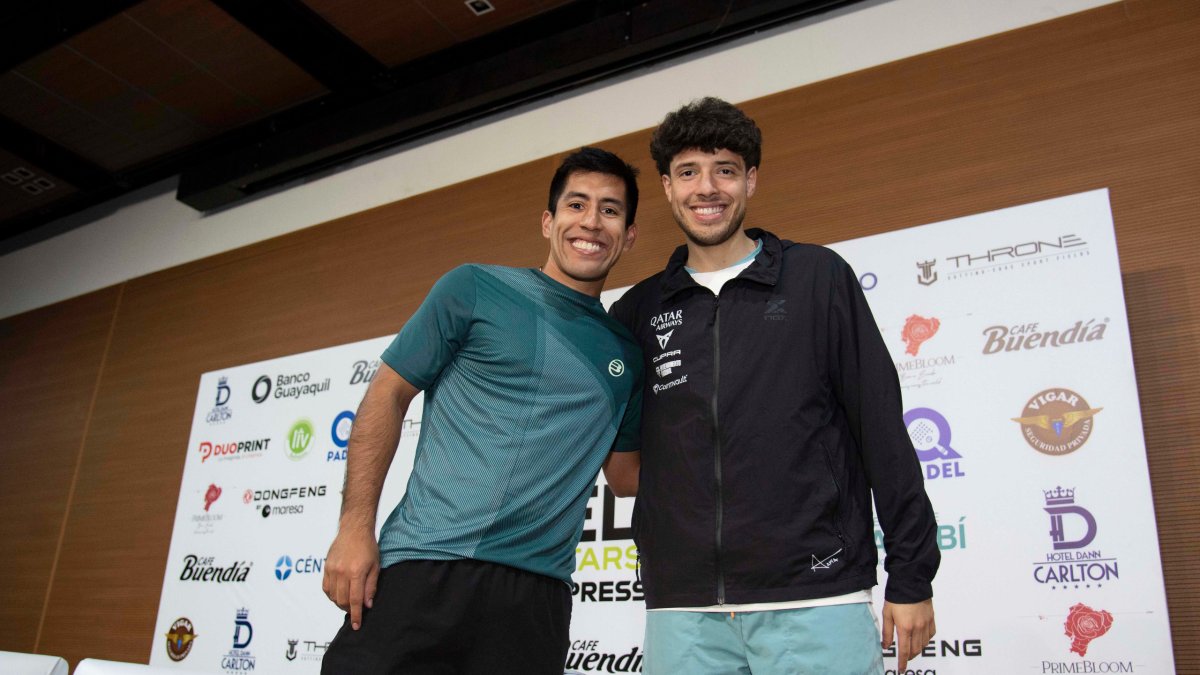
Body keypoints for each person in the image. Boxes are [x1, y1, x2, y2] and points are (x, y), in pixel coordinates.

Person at [607, 97, 939, 674]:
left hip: (815, 598)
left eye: (725, 170)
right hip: (682, 613)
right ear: (666, 186)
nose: (706, 188)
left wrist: (911, 576)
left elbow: (881, 431)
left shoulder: (817, 277)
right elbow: (621, 459)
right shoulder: (638, 312)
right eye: (688, 172)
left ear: (751, 180)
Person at [321, 147, 644, 675]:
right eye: (576, 205)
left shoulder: (626, 355)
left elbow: (628, 478)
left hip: (535, 599)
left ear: (628, 234)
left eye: (610, 210)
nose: (591, 221)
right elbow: (387, 394)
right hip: (425, 567)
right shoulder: (473, 288)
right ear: (548, 221)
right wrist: (355, 528)